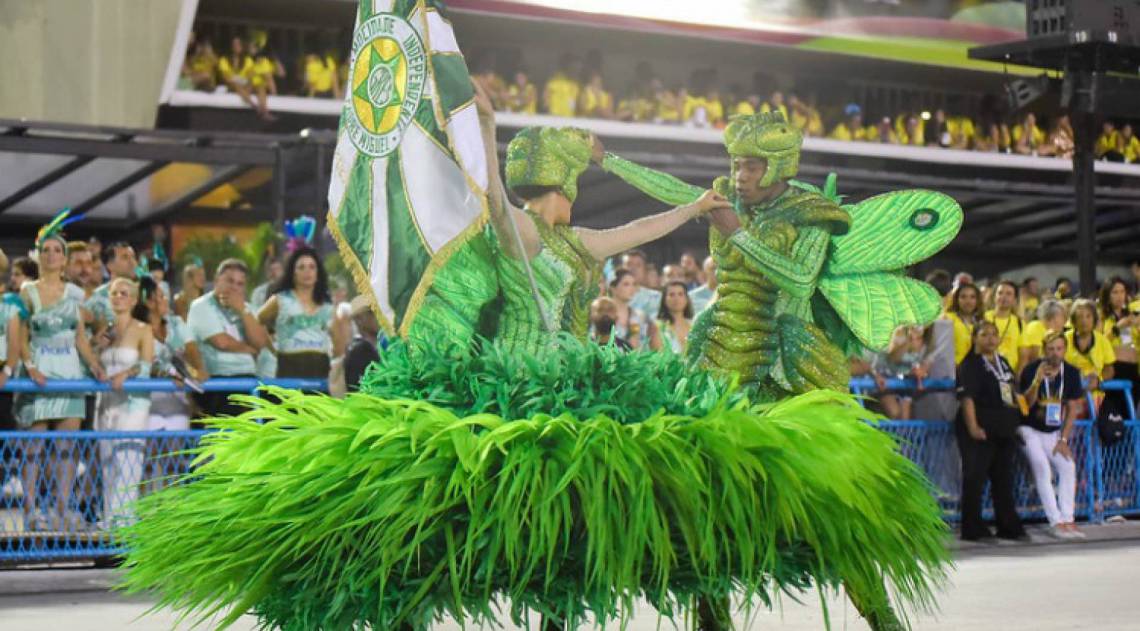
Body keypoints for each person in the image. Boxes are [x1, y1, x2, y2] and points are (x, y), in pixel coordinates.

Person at [17, 217, 106, 531]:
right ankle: (31, 512)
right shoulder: (28, 291)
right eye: (47, 250)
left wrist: (94, 364)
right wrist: (29, 365)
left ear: (64, 258)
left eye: (57, 250)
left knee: (67, 446)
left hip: (69, 370)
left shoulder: (75, 294)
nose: (52, 255)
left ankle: (62, 507)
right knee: (34, 446)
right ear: (38, 256)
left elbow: (81, 334)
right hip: (39, 369)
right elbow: (20, 334)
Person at [955, 321, 1027, 542]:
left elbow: (1012, 392)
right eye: (984, 334)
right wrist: (973, 427)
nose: (990, 339)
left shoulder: (1003, 363)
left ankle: (1008, 524)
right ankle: (972, 527)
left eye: (994, 335)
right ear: (975, 338)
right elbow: (967, 398)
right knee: (975, 478)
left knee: (1003, 478)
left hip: (1003, 428)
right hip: (980, 428)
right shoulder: (970, 365)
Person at [95, 278, 154, 528]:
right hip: (107, 402)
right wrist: (97, 355)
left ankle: (125, 521)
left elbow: (148, 364)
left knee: (128, 459)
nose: (118, 297)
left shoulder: (143, 329)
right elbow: (92, 360)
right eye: (114, 293)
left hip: (133, 402)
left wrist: (127, 374)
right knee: (107, 461)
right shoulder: (105, 330)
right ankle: (110, 519)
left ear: (134, 299)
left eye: (124, 293)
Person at [1019, 332, 1085, 539]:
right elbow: (1025, 406)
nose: (1055, 353)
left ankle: (1068, 519)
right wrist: (1037, 381)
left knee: (1068, 466)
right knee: (1042, 466)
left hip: (1052, 431)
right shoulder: (1031, 369)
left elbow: (1072, 408)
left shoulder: (1072, 373)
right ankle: (1054, 521)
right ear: (1043, 350)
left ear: (1065, 350)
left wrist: (1064, 440)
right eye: (1050, 349)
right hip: (1028, 428)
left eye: (1059, 349)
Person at [187, 259, 270, 417]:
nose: (234, 287)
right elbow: (222, 342)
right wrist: (249, 349)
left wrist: (242, 311)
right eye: (230, 281)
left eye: (240, 284)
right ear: (217, 279)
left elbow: (260, 342)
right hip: (217, 382)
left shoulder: (247, 308)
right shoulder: (201, 305)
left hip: (248, 380)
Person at [257, 246, 342, 379]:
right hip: (289, 369)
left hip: (321, 372)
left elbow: (338, 342)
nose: (307, 271)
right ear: (293, 273)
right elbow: (257, 321)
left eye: (312, 267)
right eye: (301, 267)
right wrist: (272, 347)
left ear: (318, 273)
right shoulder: (280, 300)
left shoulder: (327, 306)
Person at [136, 275, 205, 432]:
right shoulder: (137, 329)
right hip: (148, 400)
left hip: (177, 399)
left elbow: (192, 349)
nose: (166, 299)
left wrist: (198, 369)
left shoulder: (176, 323)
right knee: (153, 453)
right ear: (148, 301)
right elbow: (145, 363)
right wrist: (168, 374)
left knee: (175, 452)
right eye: (161, 296)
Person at [872, 325, 930, 420]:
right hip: (882, 379)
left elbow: (920, 365)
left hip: (903, 383)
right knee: (894, 412)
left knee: (905, 415)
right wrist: (908, 341)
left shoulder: (923, 343)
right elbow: (892, 358)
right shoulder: (893, 331)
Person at [86, 241, 138, 339]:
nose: (132, 262)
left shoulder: (144, 293)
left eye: (133, 257)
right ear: (109, 265)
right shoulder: (98, 298)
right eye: (125, 257)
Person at [1099, 277, 1139, 400]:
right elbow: (1098, 342)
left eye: (1122, 291)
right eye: (1115, 292)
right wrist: (1117, 327)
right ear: (1107, 295)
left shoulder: (1132, 315)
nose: (1119, 296)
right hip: (1115, 368)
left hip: (1134, 368)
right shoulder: (1101, 316)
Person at [1065, 298, 1115, 394]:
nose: (1084, 320)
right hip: (1069, 392)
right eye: (1080, 317)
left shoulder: (1103, 341)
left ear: (1094, 319)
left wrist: (1098, 381)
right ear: (1074, 320)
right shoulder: (1064, 339)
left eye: (1088, 316)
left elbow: (1109, 369)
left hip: (1096, 394)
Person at [218, 36, 272, 121]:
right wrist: (239, 80)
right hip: (231, 86)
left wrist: (246, 82)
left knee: (260, 87)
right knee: (236, 85)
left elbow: (250, 76)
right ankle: (256, 107)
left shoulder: (248, 60)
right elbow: (226, 78)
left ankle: (265, 111)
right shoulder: (224, 59)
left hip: (244, 85)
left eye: (239, 44)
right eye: (234, 44)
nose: (237, 46)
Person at [607, 269, 656, 350]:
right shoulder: (603, 314)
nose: (632, 288)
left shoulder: (640, 316)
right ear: (613, 288)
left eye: (633, 284)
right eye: (626, 284)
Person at [984, 279, 1024, 375]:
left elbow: (1023, 355)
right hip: (985, 372)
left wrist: (1017, 376)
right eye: (1000, 293)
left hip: (1009, 374)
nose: (1003, 297)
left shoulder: (1020, 323)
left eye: (1008, 294)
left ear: (1015, 299)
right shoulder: (983, 318)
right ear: (994, 297)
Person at [343, 295, 381, 392]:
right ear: (360, 320)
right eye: (373, 313)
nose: (380, 317)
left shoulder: (385, 345)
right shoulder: (359, 352)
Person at [1019, 299, 1068, 369]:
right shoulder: (1036, 326)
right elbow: (1035, 356)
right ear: (1052, 318)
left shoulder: (1059, 334)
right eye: (1063, 317)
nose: (1065, 322)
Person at [943, 282, 982, 366]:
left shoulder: (981, 321)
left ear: (977, 300)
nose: (968, 301)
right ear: (956, 299)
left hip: (976, 370)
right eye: (963, 297)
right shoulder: (947, 318)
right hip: (952, 370)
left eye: (972, 297)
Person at [619, 249, 661, 320]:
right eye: (629, 264)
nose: (633, 268)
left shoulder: (657, 297)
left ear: (644, 270)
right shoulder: (610, 296)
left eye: (638, 265)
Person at [656, 281, 693, 353]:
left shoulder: (694, 325)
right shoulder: (658, 327)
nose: (676, 298)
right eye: (671, 295)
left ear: (686, 299)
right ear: (664, 300)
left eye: (680, 294)